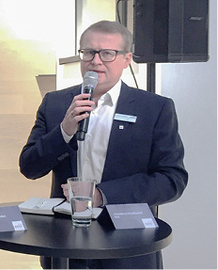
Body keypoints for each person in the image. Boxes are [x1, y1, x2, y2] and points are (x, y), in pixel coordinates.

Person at [19, 20, 188, 269]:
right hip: (66, 247)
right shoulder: (55, 104)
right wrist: (64, 131)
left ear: (126, 58)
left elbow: (172, 179)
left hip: (128, 245)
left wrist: (102, 195)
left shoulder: (154, 108)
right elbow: (29, 167)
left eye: (107, 53)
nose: (96, 61)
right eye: (88, 52)